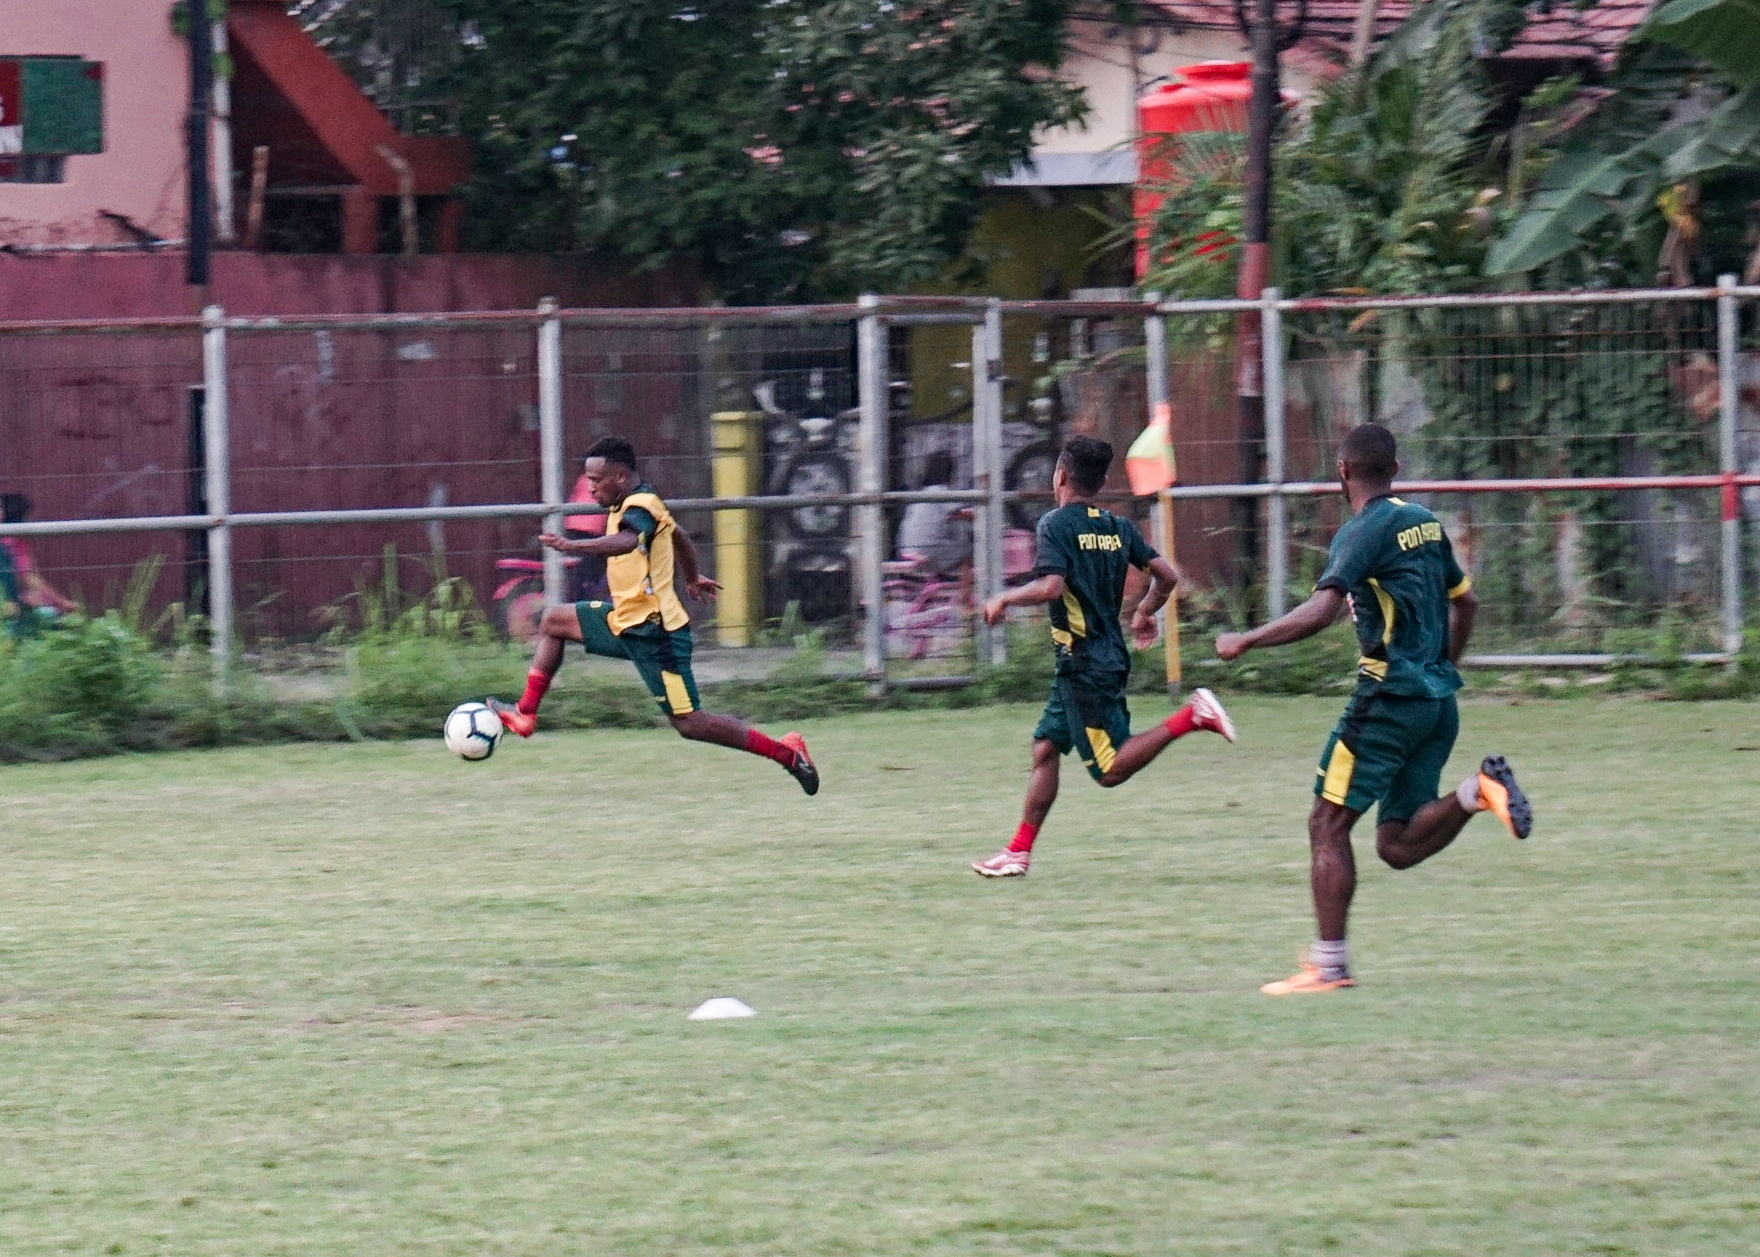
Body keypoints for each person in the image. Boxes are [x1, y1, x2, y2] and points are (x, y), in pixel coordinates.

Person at [1214, 422, 1532, 996]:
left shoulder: (1363, 530)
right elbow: (1468, 602)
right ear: (1395, 468)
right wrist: (1441, 666)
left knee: (1326, 823)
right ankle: (1478, 791)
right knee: (1396, 843)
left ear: (1342, 471)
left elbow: (1319, 612)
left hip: (1386, 702)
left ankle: (1329, 967)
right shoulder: (1424, 523)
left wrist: (1248, 639)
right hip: (1436, 705)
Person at [487, 437, 820, 795]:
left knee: (691, 723)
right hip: (624, 621)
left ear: (619, 476)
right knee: (553, 621)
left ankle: (787, 755)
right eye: (588, 479)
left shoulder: (641, 505)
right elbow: (679, 535)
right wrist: (692, 576)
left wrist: (575, 546)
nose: (590, 487)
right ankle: (525, 714)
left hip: (657, 636)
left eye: (596, 480)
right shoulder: (628, 503)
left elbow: (628, 541)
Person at [970, 435, 1236, 878]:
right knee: (1045, 748)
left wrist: (1005, 598)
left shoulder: (1055, 524)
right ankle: (1017, 852)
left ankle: (1193, 716)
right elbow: (1167, 576)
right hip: (1098, 656)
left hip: (1084, 664)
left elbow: (1050, 587)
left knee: (1109, 768)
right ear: (1102, 481)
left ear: (1060, 475)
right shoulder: (1118, 527)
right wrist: (1145, 613)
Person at [1, 494, 77, 625]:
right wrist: (61, 602)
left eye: (1, 507)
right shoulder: (12, 541)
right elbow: (27, 576)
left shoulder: (6, 543)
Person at [896, 450, 972, 577]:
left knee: (951, 547)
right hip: (928, 549)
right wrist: (980, 514)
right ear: (949, 473)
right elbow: (960, 513)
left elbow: (949, 514)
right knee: (968, 551)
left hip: (907, 549)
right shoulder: (941, 491)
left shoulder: (920, 494)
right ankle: (965, 593)